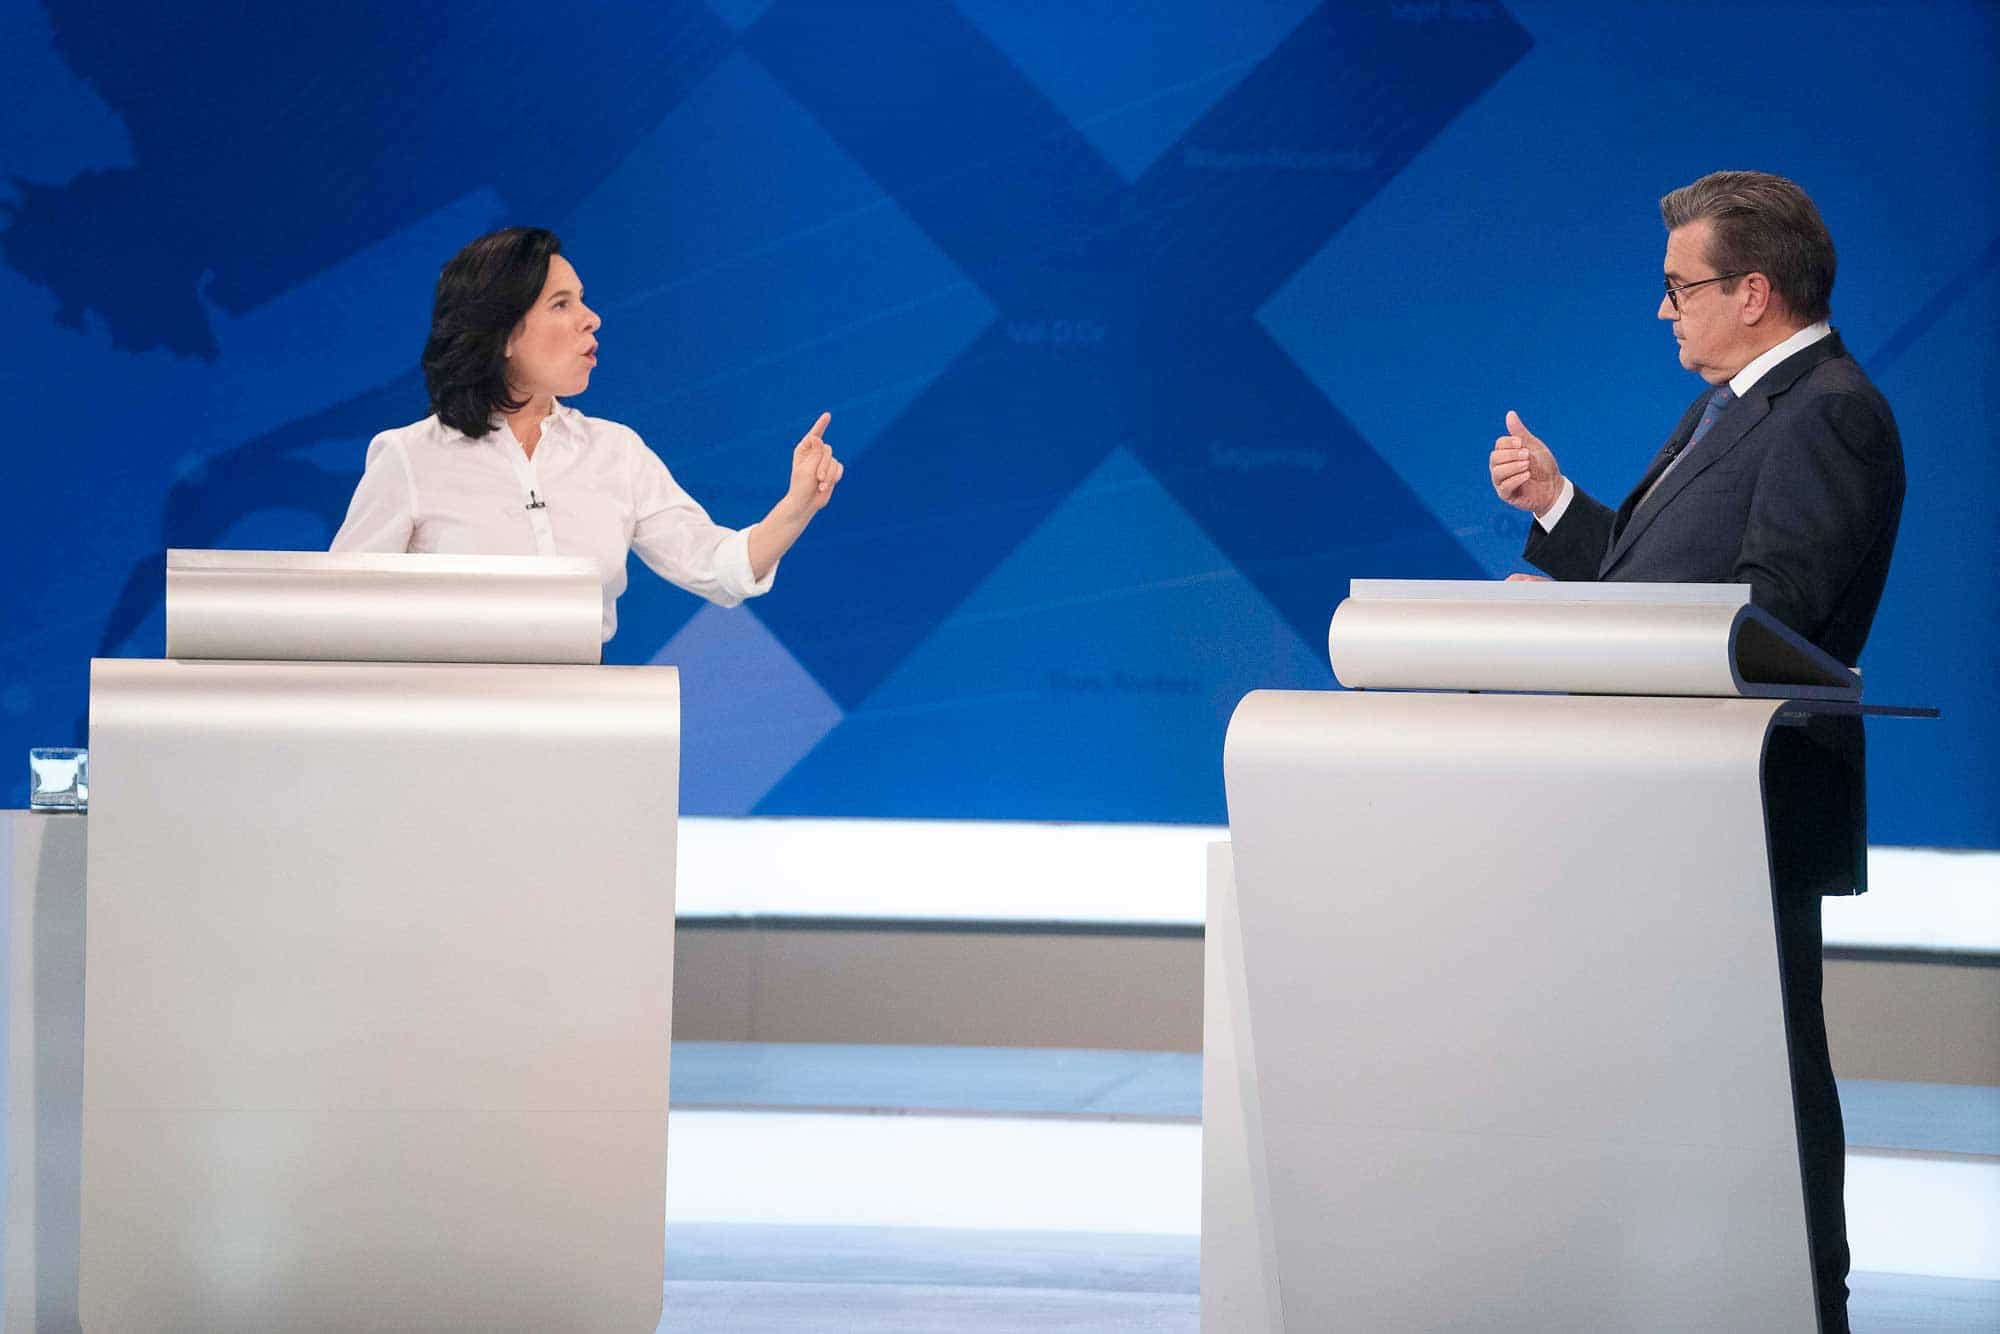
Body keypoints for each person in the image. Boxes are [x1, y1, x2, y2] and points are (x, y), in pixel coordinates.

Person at [1487, 170, 1904, 1333]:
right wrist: (1563, 506)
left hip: (1739, 810)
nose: (1663, 311)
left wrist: (1573, 624)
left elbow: (1765, 616)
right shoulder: (1732, 404)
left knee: (1766, 1085)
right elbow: (1650, 578)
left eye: (1679, 288)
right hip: (1665, 808)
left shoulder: (1829, 410)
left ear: (1753, 290)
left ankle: (1802, 1307)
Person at [332, 227, 843, 641]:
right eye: (561, 304)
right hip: (447, 727)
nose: (591, 319)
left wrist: (798, 504)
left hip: (585, 720)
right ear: (504, 333)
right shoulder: (409, 457)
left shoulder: (615, 451)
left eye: (582, 300)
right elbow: (336, 613)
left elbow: (717, 566)